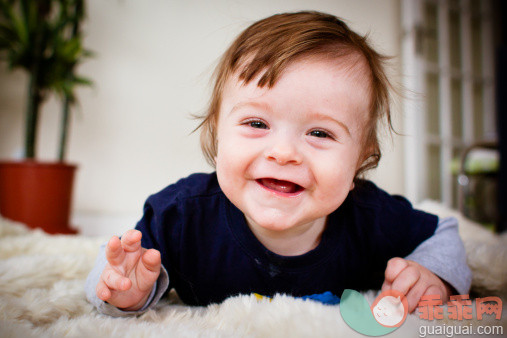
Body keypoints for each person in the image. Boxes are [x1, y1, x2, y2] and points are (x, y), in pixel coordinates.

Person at [86, 11, 471, 316]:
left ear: (359, 161)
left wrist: (434, 275)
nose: (283, 153)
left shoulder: (371, 218)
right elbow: (115, 271)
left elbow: (444, 233)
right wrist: (126, 292)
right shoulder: (182, 216)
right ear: (217, 135)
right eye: (257, 123)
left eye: (320, 133)